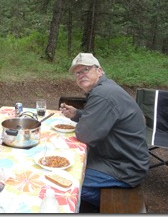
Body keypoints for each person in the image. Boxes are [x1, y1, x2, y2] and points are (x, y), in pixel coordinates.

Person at [60, 53, 149, 210]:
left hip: (125, 168)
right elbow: (103, 119)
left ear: (99, 71)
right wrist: (77, 114)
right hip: (116, 157)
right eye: (77, 73)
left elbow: (84, 135)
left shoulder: (103, 94)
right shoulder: (105, 88)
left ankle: (110, 204)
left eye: (85, 70)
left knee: (65, 181)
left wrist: (82, 122)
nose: (81, 75)